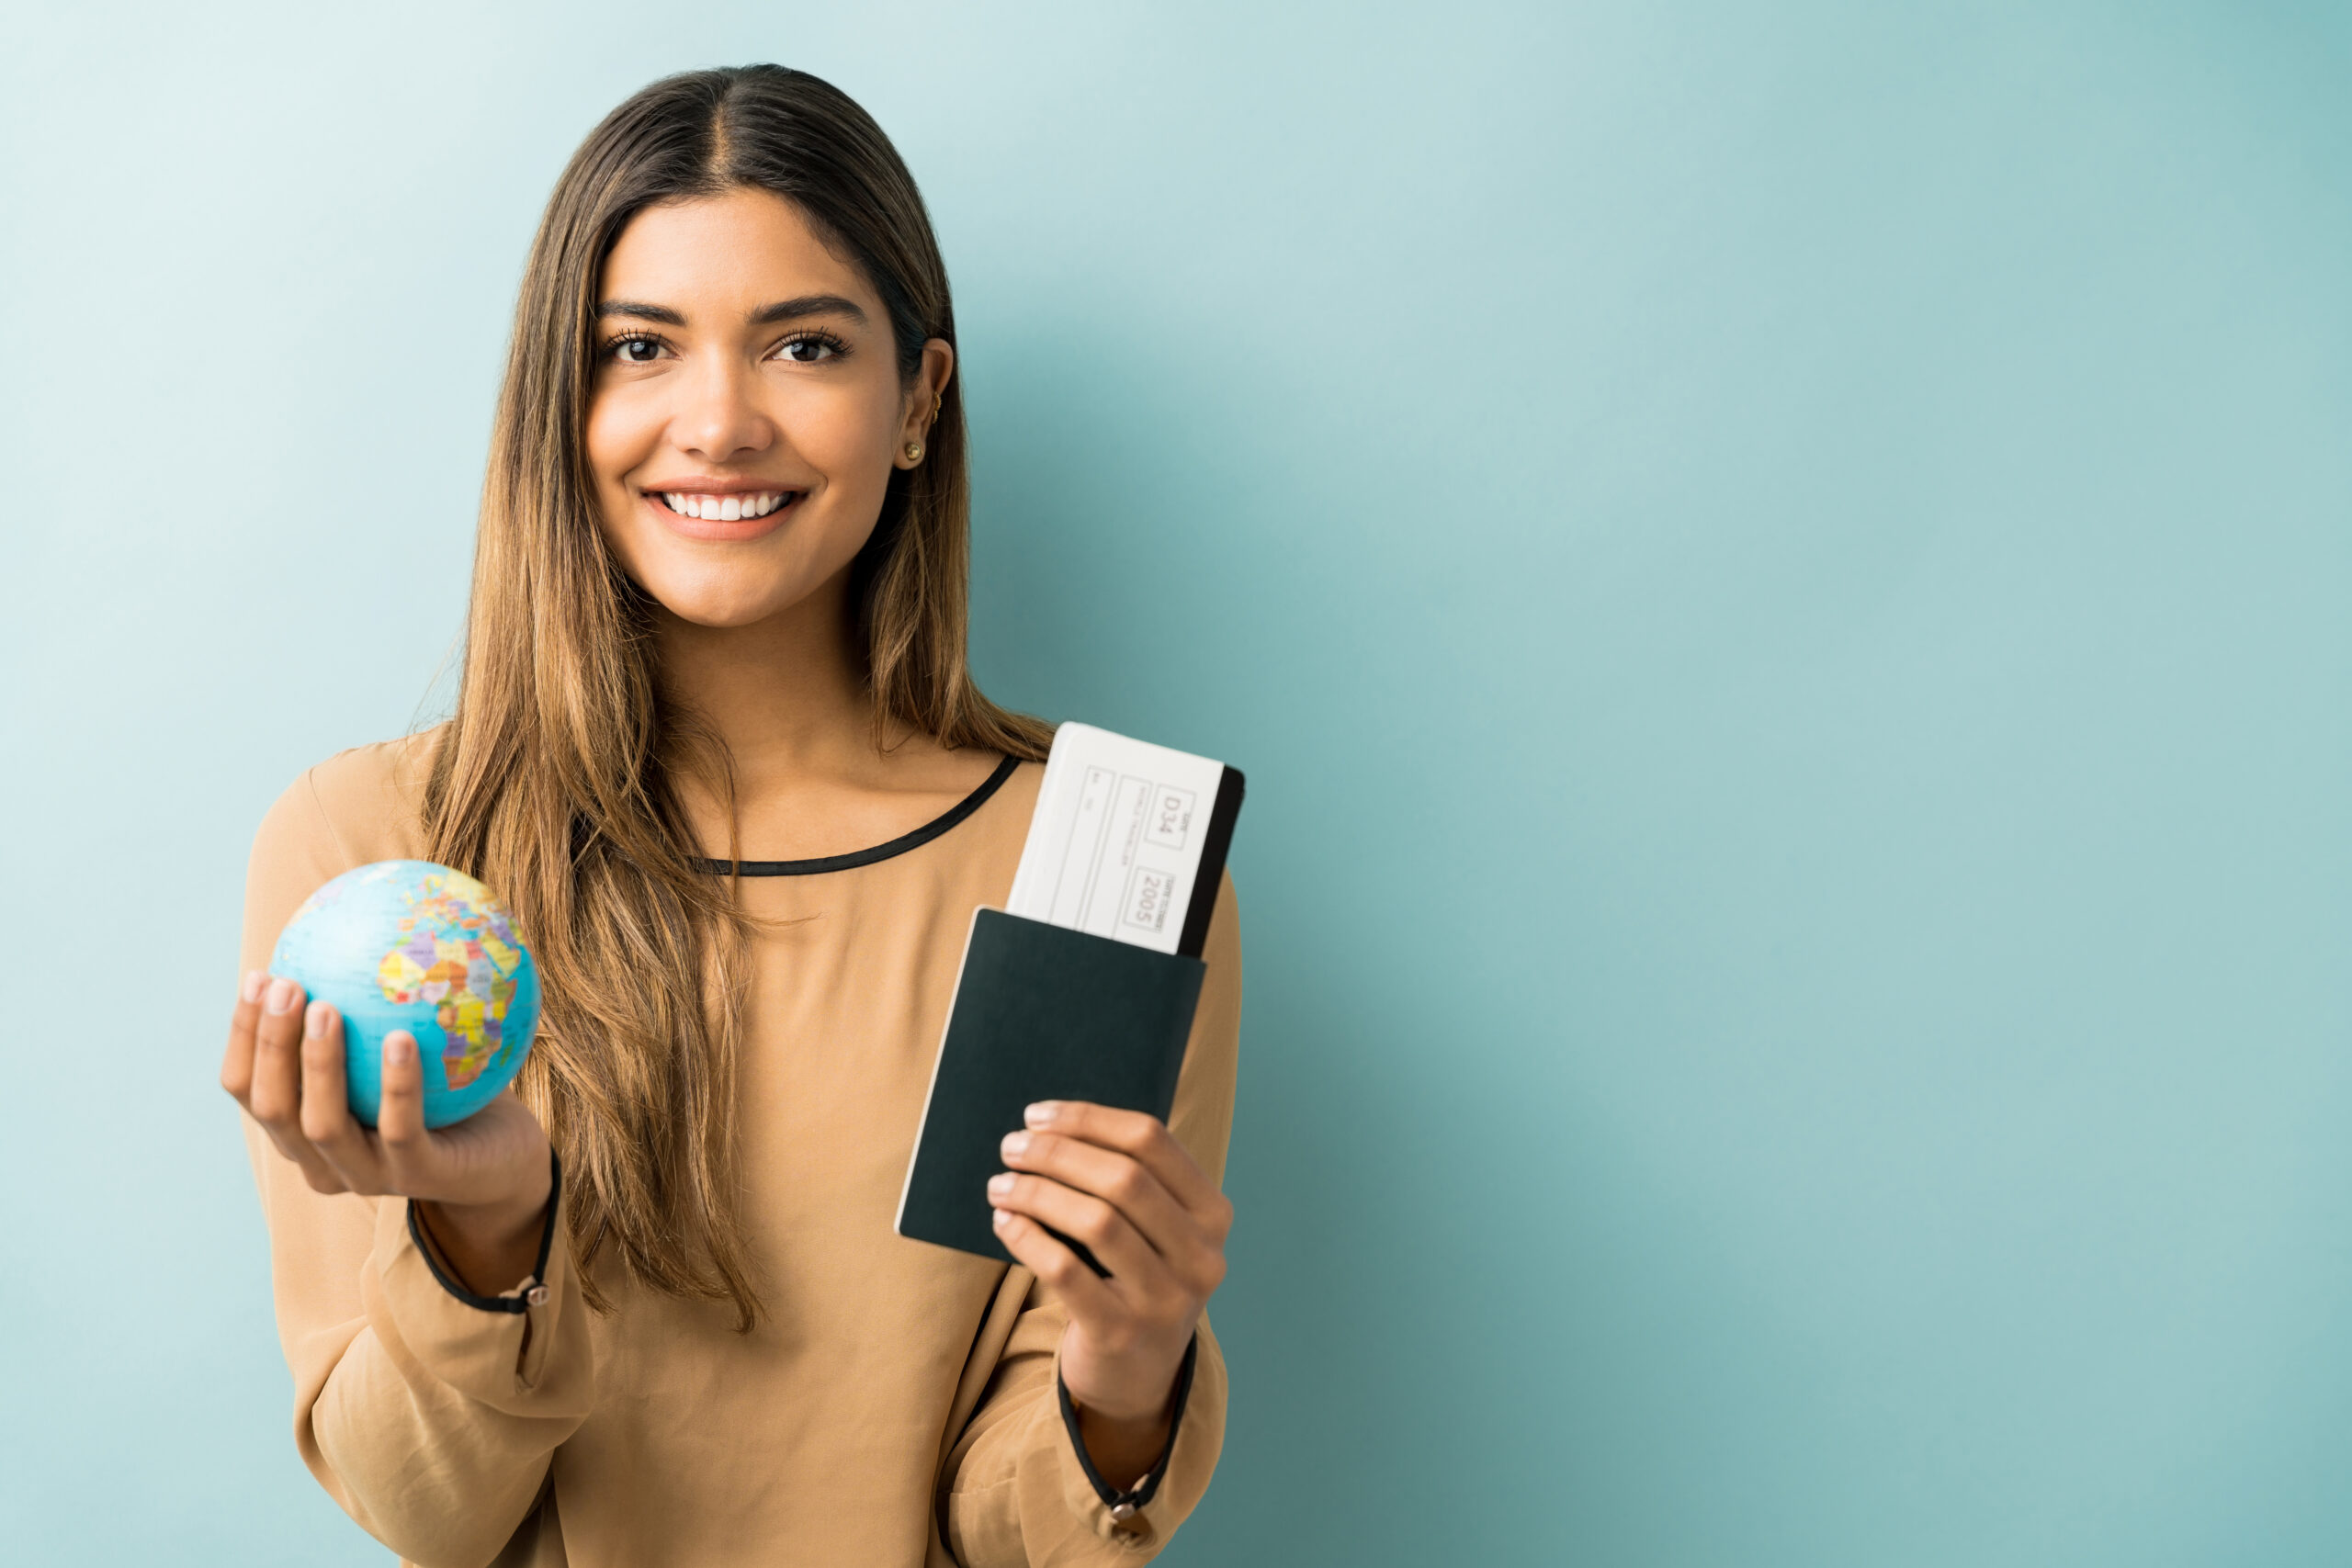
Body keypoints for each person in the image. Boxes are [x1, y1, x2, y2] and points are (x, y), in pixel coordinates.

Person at [218, 65, 1239, 1568]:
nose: (718, 423)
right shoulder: (378, 845)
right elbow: (423, 1515)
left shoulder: (1088, 867)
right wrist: (487, 1235)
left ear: (919, 403)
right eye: (639, 348)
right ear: (561, 404)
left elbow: (1005, 1530)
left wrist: (1128, 1375)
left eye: (804, 346)